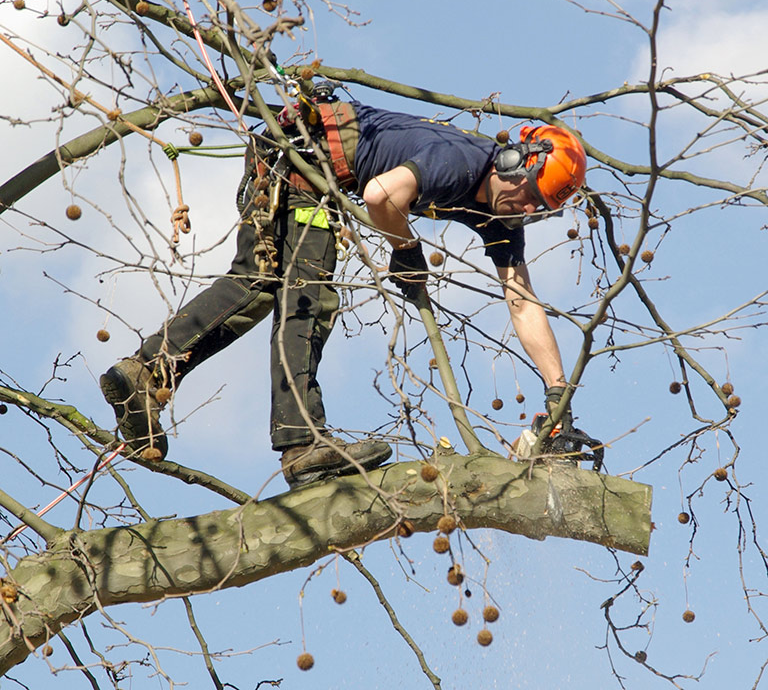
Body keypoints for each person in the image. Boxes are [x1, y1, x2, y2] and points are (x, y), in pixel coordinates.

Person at [100, 90, 588, 488]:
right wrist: (404, 249)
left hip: (296, 168)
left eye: (540, 208)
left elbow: (522, 302)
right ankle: (301, 445)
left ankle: (143, 375)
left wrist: (557, 391)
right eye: (529, 195)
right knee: (306, 296)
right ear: (513, 162)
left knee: (260, 282)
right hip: (303, 166)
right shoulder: (461, 161)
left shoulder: (502, 219)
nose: (527, 210)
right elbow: (379, 196)